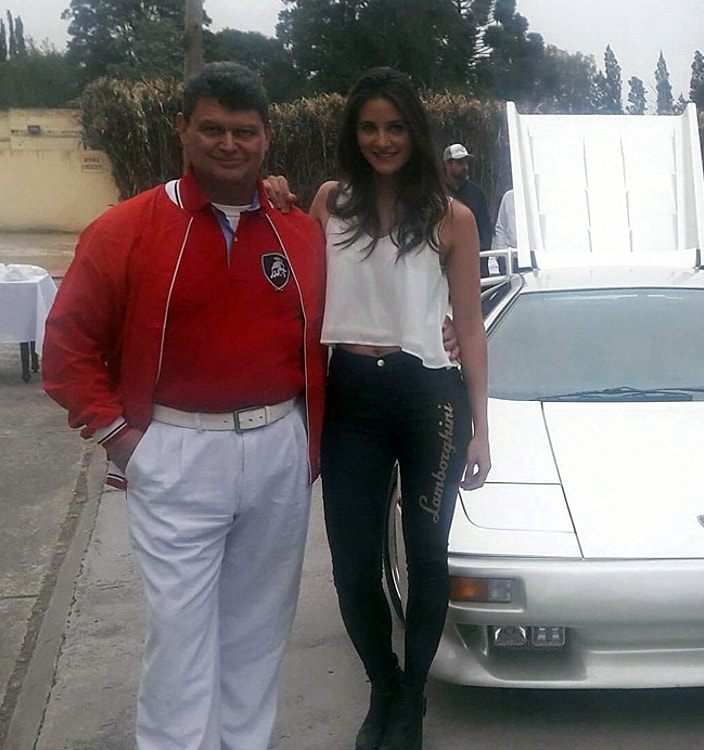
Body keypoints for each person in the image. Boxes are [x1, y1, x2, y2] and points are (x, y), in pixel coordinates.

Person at [41, 62, 326, 750]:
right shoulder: (127, 228)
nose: (229, 144)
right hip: (174, 450)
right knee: (181, 637)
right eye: (212, 129)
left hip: (279, 447)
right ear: (183, 130)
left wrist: (442, 327)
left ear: (266, 136)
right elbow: (67, 347)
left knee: (258, 631)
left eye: (244, 131)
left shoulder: (298, 230)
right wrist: (122, 439)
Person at [309, 68, 490, 750]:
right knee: (352, 565)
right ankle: (383, 685)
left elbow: (469, 324)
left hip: (429, 399)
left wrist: (482, 428)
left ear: (416, 133)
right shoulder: (331, 204)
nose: (382, 140)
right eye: (369, 127)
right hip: (351, 396)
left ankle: (412, 699)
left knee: (426, 556)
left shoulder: (451, 216)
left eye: (395, 127)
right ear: (352, 135)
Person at [442, 142, 493, 263]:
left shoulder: (477, 193)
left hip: (475, 259)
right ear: (448, 164)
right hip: (446, 262)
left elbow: (485, 229)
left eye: (466, 162)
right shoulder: (438, 193)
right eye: (460, 162)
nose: (465, 167)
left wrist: (478, 254)